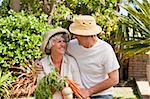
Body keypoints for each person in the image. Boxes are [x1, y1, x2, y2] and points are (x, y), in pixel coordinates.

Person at [67, 15, 120, 99]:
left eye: (77, 34)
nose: (74, 36)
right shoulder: (72, 45)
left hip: (103, 95)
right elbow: (54, 54)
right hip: (80, 95)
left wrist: (89, 91)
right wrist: (39, 63)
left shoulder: (105, 49)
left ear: (88, 35)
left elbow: (114, 79)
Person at [36, 28, 83, 99]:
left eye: (64, 41)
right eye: (59, 41)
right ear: (50, 45)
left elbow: (79, 85)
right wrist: (58, 85)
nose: (63, 44)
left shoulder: (71, 61)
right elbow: (42, 89)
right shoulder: (42, 64)